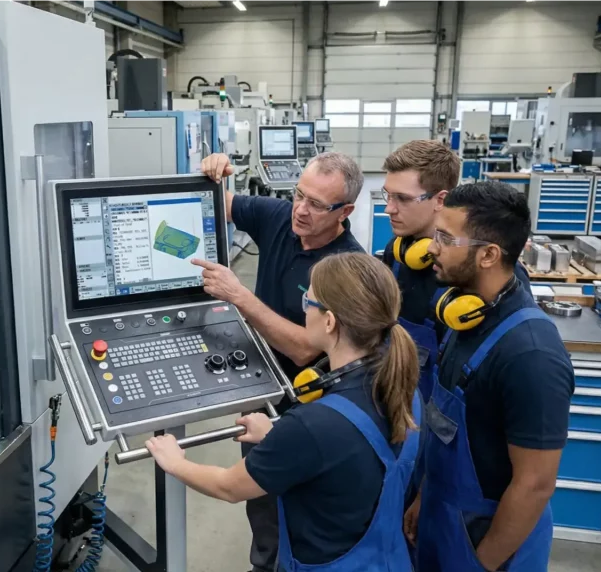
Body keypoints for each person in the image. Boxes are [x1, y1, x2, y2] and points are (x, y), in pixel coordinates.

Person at [145, 252, 421, 572]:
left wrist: (175, 462)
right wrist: (277, 438)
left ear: (329, 321)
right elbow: (349, 459)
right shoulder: (402, 387)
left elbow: (229, 486)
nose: (305, 308)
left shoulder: (313, 425)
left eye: (309, 300)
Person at [196, 151, 364, 572]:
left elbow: (308, 348)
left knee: (292, 517)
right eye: (298, 195)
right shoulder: (278, 217)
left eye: (316, 205)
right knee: (262, 509)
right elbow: (216, 200)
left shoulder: (346, 268)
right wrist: (210, 172)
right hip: (262, 393)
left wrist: (239, 296)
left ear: (346, 212)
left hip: (310, 407)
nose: (301, 211)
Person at [403, 181, 574, 571]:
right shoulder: (465, 315)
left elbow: (535, 485)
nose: (431, 248)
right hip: (443, 518)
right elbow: (444, 430)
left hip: (488, 541)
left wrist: (482, 563)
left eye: (446, 239)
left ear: (489, 255)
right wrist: (423, 496)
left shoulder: (530, 353)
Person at [380, 140, 532, 404]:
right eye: (388, 195)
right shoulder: (398, 252)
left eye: (402, 198)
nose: (389, 208)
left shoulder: (488, 272)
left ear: (440, 199)